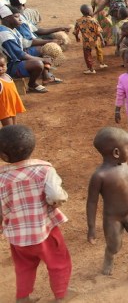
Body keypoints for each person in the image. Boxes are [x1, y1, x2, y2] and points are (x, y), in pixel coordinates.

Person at [0, 125, 72, 302]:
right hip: (45, 231)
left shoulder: (1, 177)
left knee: (24, 267)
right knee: (59, 263)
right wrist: (57, 201)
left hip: (18, 236)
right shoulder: (44, 170)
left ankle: (22, 298)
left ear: (3, 156)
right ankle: (60, 296)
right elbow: (55, 195)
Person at [86, 127, 128, 281]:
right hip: (113, 218)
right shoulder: (99, 176)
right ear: (116, 153)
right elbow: (91, 202)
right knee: (114, 245)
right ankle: (109, 257)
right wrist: (91, 227)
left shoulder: (124, 165)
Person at [0, 5, 52, 93]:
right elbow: (20, 55)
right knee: (38, 64)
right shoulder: (4, 34)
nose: (20, 19)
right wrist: (42, 59)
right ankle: (32, 84)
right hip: (9, 66)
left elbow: (25, 43)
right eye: (16, 17)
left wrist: (47, 42)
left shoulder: (12, 29)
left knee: (45, 49)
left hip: (17, 58)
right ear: (7, 19)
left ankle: (46, 74)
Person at [74, 4, 107, 74]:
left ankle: (91, 69)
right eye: (92, 11)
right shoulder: (94, 20)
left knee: (87, 54)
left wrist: (77, 38)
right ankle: (101, 64)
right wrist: (102, 40)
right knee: (99, 51)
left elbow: (75, 32)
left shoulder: (78, 21)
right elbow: (98, 32)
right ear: (89, 12)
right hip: (96, 40)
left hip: (86, 41)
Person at [0, 53, 25, 125]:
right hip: (4, 109)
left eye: (2, 65)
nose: (0, 68)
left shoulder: (8, 76)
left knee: (14, 126)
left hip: (11, 105)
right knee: (9, 129)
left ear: (6, 64)